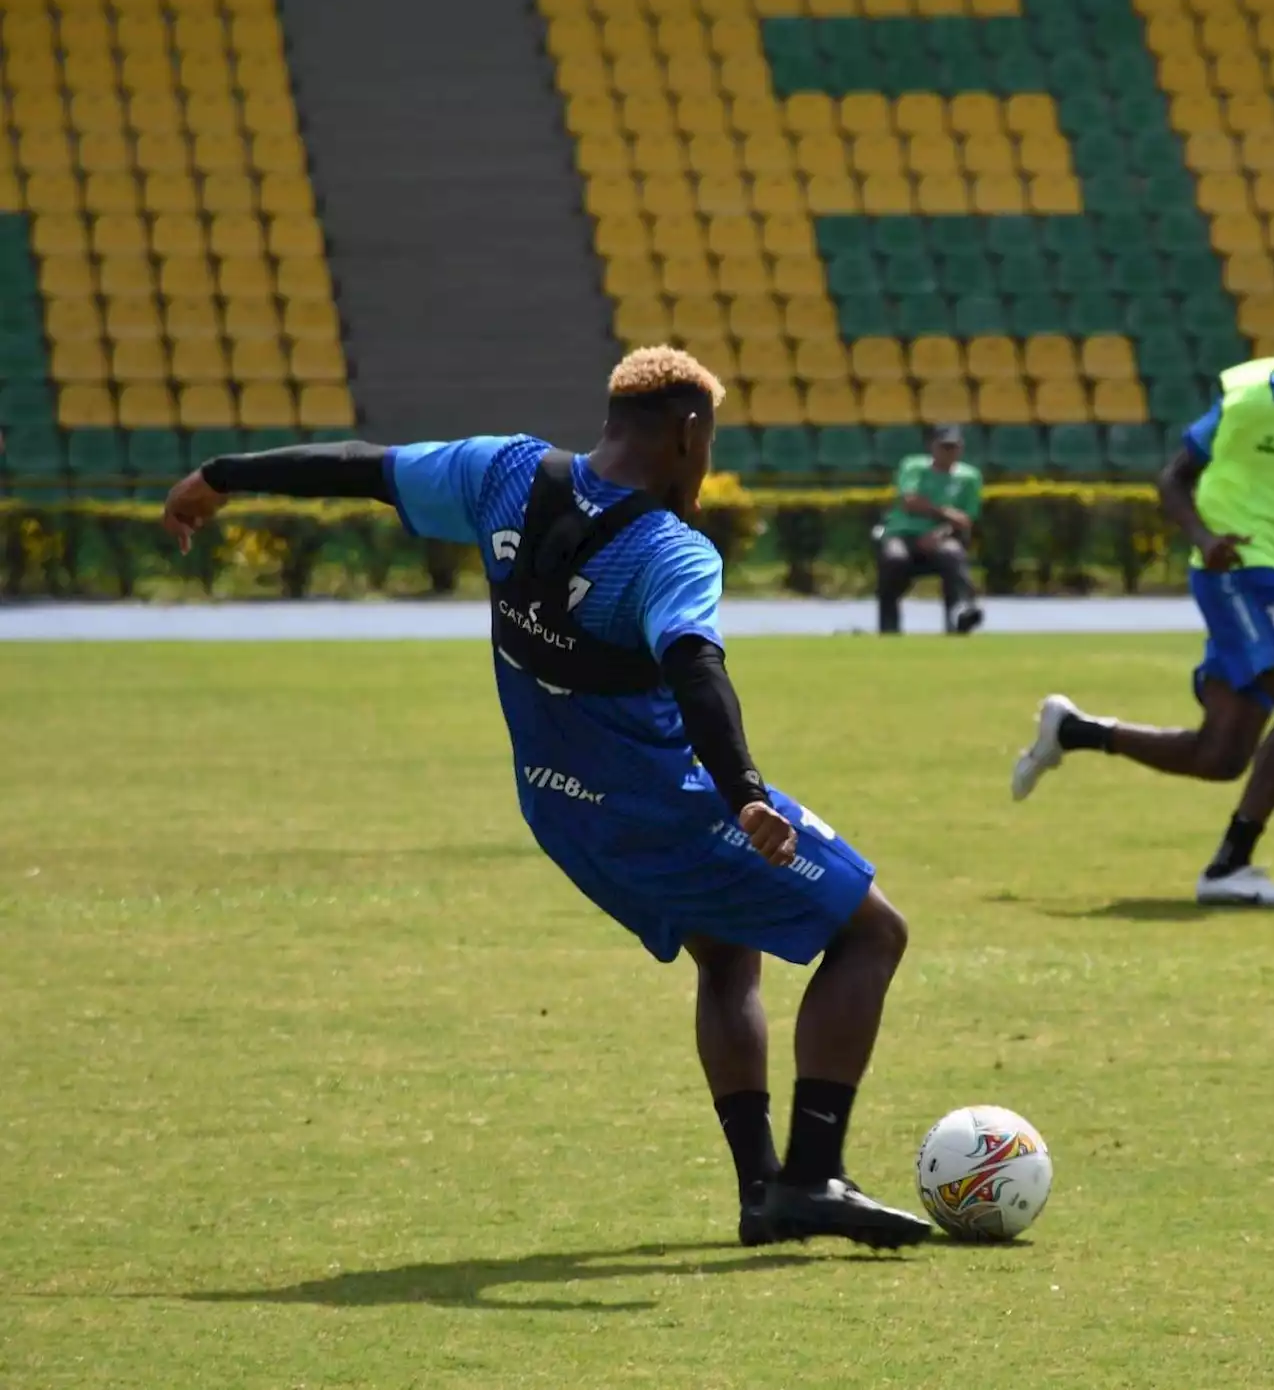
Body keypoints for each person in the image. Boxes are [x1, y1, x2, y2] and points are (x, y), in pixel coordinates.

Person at [161, 346, 931, 1250]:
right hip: (668, 806)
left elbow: (362, 466)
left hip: (559, 810)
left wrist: (222, 475)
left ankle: (762, 1189)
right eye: (710, 444)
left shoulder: (503, 473)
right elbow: (696, 669)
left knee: (728, 957)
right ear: (689, 434)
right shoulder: (668, 551)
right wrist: (747, 794)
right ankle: (813, 1174)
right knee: (872, 931)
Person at [1012, 356, 1274, 906]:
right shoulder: (1249, 398)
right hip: (1239, 572)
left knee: (1221, 756)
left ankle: (1077, 731)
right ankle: (1231, 862)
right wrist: (1205, 540)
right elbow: (1175, 477)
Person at [875, 425, 984, 635]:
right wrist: (945, 512)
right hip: (903, 534)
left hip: (940, 538)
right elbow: (909, 501)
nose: (949, 452)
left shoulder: (970, 477)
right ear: (932, 447)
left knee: (952, 554)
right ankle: (889, 627)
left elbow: (966, 519)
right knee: (893, 557)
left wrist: (940, 532)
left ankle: (961, 616)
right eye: (944, 447)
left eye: (953, 447)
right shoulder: (913, 466)